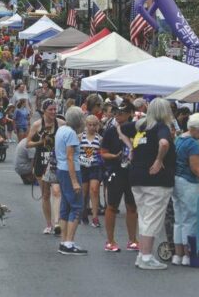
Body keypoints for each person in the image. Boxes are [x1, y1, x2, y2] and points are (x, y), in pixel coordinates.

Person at [129, 98, 176, 270]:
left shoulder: (141, 127)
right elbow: (164, 143)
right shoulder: (161, 128)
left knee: (144, 216)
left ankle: (143, 254)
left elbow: (119, 130)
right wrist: (158, 160)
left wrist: (132, 152)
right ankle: (146, 257)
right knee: (152, 218)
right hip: (156, 180)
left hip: (137, 176)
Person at [172, 113, 199, 266]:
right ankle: (187, 255)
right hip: (189, 182)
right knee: (190, 219)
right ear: (196, 129)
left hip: (176, 180)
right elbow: (196, 169)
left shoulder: (179, 139)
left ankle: (177, 255)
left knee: (178, 220)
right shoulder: (193, 144)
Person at [101, 104, 138, 252]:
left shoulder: (136, 130)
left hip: (132, 172)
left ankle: (133, 240)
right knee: (112, 206)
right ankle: (110, 241)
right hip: (115, 171)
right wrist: (114, 156)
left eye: (121, 113)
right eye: (116, 113)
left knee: (132, 206)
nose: (118, 116)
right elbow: (103, 152)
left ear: (129, 114)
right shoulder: (110, 132)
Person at [27, 98, 63, 235]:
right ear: (44, 111)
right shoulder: (37, 125)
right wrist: (40, 141)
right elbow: (28, 143)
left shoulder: (61, 124)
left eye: (55, 109)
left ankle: (57, 222)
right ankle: (48, 224)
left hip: (56, 162)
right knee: (45, 194)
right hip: (41, 161)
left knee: (57, 191)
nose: (54, 112)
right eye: (51, 110)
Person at [55, 106, 87, 255]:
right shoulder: (71, 133)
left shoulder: (61, 130)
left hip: (61, 170)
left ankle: (64, 241)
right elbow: (70, 157)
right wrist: (74, 181)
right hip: (70, 171)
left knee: (65, 206)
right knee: (77, 206)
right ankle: (69, 242)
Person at [79, 115, 103, 228]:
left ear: (97, 125)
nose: (92, 127)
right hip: (83, 166)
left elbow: (101, 153)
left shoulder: (100, 138)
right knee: (83, 192)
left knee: (94, 190)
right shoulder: (80, 137)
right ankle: (83, 212)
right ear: (86, 125)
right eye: (90, 125)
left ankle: (95, 217)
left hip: (94, 166)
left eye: (94, 125)